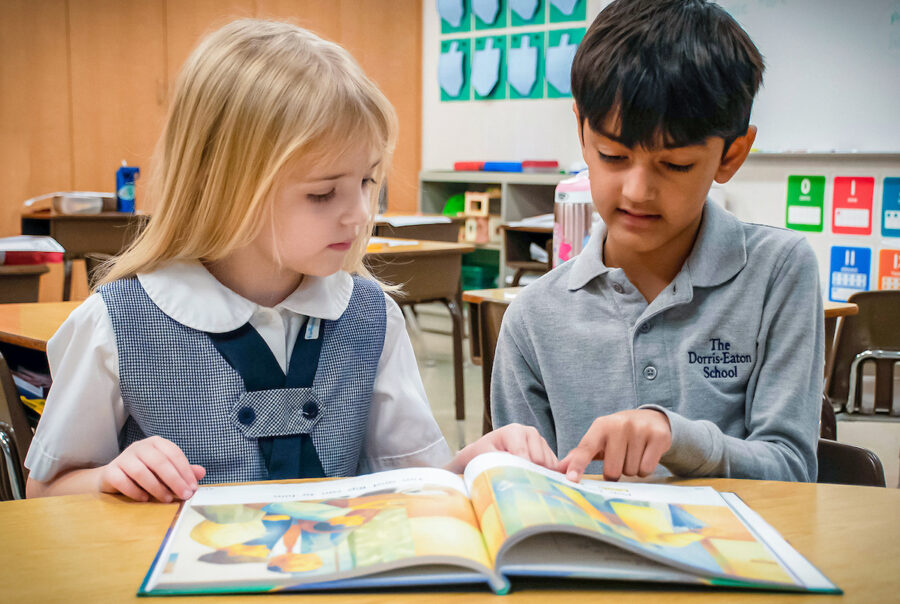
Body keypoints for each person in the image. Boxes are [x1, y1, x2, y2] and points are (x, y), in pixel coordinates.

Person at [25, 19, 556, 503]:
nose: (360, 214)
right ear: (224, 187)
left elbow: (411, 481)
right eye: (323, 194)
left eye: (369, 181)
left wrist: (476, 462)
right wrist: (108, 477)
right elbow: (45, 491)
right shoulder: (115, 323)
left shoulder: (371, 316)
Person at [491, 0, 823, 483]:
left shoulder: (779, 272)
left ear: (732, 155)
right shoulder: (534, 318)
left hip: (734, 555)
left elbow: (792, 470)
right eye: (613, 155)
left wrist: (679, 439)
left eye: (676, 165)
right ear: (582, 132)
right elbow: (523, 493)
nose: (637, 191)